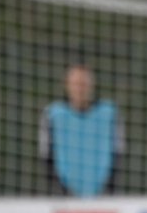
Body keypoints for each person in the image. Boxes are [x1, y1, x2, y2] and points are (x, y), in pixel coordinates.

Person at [39, 63, 125, 197]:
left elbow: (118, 152)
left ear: (92, 85)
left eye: (84, 83)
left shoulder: (109, 113)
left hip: (104, 196)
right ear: (67, 85)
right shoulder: (53, 114)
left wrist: (108, 191)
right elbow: (46, 156)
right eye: (76, 83)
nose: (80, 89)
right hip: (64, 198)